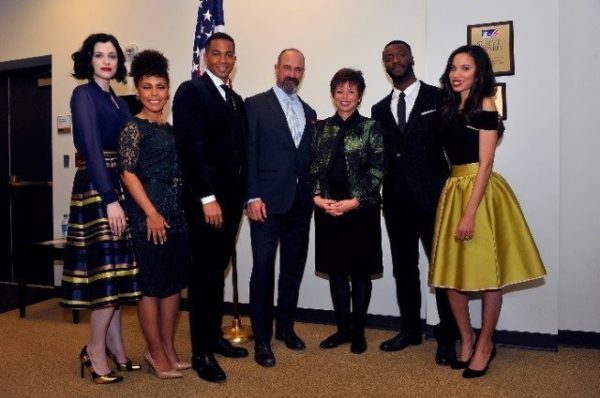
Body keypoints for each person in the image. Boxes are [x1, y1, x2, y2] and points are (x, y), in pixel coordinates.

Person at [429, 44, 546, 378]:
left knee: (489, 275)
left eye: (465, 68)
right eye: (453, 67)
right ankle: (466, 340)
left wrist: (469, 212)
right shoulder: (449, 106)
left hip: (479, 193)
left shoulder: (485, 103)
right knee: (451, 277)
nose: (457, 74)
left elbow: (486, 162)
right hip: (453, 190)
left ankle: (485, 344)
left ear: (478, 73)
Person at [59, 33, 141, 384]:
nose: (106, 61)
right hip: (97, 188)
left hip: (118, 185)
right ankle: (95, 351)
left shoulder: (119, 102)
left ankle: (117, 349)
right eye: (99, 55)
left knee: (117, 275)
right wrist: (109, 199)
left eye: (112, 55)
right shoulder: (83, 94)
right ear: (88, 60)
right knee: (106, 274)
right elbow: (91, 149)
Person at [371, 40, 458, 365]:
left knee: (442, 271)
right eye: (389, 57)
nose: (395, 60)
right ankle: (410, 330)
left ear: (411, 58)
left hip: (436, 201)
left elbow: (456, 141)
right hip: (395, 204)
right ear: (385, 64)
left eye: (400, 55)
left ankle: (447, 336)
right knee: (403, 270)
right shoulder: (379, 109)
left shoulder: (438, 98)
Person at [172, 32, 248, 383]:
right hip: (207, 203)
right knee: (203, 276)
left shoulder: (234, 98)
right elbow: (191, 147)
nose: (222, 58)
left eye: (228, 54)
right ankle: (200, 351)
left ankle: (214, 336)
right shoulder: (192, 91)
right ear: (205, 57)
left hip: (231, 203)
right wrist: (207, 198)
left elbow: (238, 153)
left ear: (234, 58)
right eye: (216, 53)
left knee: (218, 270)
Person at [118, 50, 188, 379]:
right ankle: (155, 350)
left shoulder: (171, 129)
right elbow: (128, 173)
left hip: (177, 213)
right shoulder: (134, 128)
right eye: (148, 87)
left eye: (160, 86)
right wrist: (151, 212)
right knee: (151, 285)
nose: (155, 93)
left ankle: (168, 347)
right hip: (149, 213)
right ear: (137, 91)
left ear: (168, 89)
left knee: (173, 284)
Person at [245, 49, 317, 368]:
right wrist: (251, 196)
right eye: (286, 67)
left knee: (292, 270)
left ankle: (285, 328)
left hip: (300, 206)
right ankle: (261, 339)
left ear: (303, 73)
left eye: (297, 69)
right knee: (262, 271)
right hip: (266, 205)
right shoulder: (255, 105)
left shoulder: (310, 111)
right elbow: (248, 154)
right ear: (276, 69)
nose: (292, 73)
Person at [310, 68, 384, 354]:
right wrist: (317, 197)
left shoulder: (371, 127)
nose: (345, 96)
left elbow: (377, 169)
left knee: (361, 273)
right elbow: (313, 167)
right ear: (332, 94)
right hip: (328, 210)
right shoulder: (320, 128)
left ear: (360, 96)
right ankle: (342, 329)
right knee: (337, 272)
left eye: (351, 91)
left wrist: (355, 200)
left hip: (361, 211)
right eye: (340, 90)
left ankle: (359, 333)